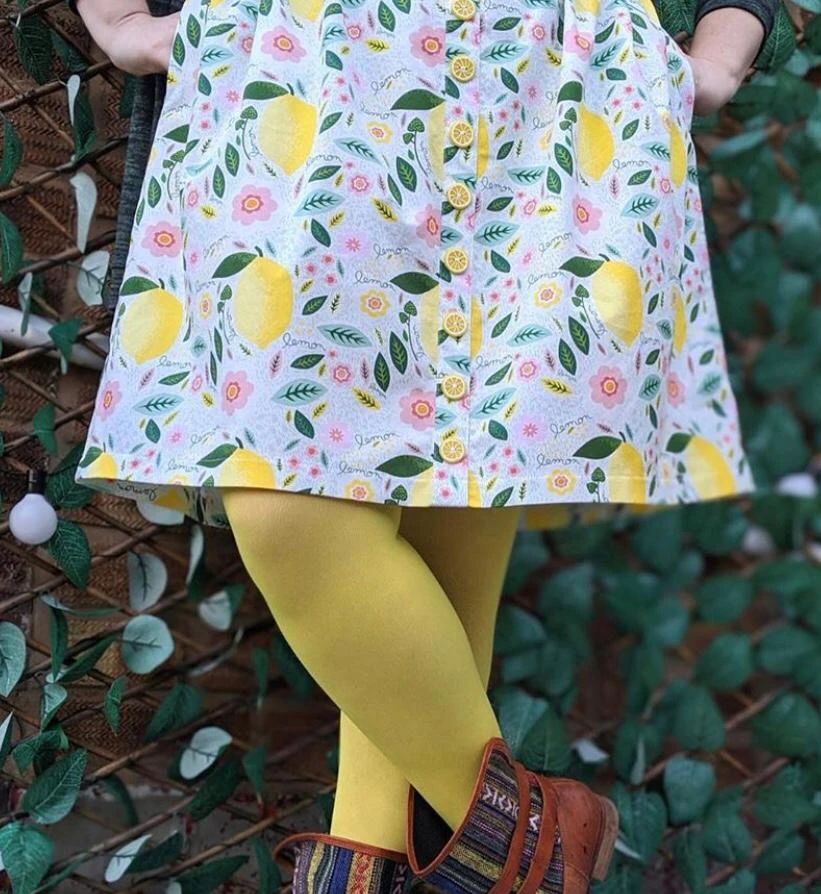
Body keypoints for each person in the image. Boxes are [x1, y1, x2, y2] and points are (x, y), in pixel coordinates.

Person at [68, 0, 775, 890]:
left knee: (449, 554)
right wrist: (120, 21)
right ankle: (543, 851)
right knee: (285, 507)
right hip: (304, 84)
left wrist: (722, 50)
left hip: (546, 99)